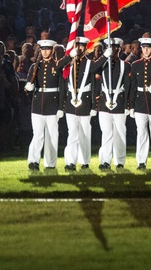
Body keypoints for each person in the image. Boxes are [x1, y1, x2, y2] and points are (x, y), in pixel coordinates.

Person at [59, 36, 97, 171]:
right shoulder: (69, 63)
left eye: (81, 46)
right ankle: (70, 162)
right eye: (77, 45)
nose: (79, 48)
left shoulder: (90, 63)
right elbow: (58, 70)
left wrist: (94, 105)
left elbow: (95, 85)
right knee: (72, 133)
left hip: (85, 101)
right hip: (70, 102)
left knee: (85, 133)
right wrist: (69, 56)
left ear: (86, 48)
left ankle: (85, 161)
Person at [128, 35, 151, 169]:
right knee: (141, 133)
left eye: (148, 48)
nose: (146, 51)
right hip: (140, 103)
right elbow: (132, 87)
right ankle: (141, 161)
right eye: (144, 48)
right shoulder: (136, 65)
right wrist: (131, 106)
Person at [24, 39, 61, 171]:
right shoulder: (35, 66)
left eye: (48, 49)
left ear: (52, 50)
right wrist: (29, 86)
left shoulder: (56, 65)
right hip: (38, 104)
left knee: (52, 135)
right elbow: (29, 83)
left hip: (52, 104)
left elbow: (61, 87)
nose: (45, 52)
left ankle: (50, 163)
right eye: (43, 49)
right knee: (38, 134)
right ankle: (33, 161)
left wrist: (60, 107)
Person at [95, 37, 129, 170]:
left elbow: (128, 86)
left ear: (119, 49)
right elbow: (93, 69)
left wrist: (127, 105)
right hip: (104, 102)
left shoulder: (125, 65)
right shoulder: (102, 64)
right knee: (106, 133)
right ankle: (105, 161)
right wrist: (104, 57)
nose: (113, 50)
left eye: (115, 48)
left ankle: (119, 161)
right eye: (110, 48)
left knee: (120, 132)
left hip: (119, 102)